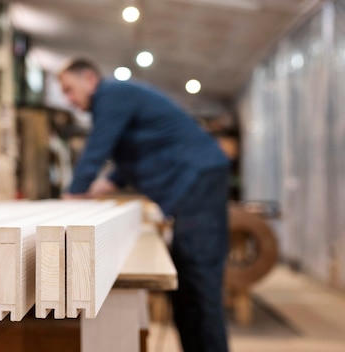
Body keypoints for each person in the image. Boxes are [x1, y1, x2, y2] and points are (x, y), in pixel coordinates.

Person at [59, 58, 230, 352]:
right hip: (191, 186)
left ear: (89, 78)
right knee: (185, 287)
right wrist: (105, 184)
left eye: (69, 89)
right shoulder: (118, 101)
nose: (69, 100)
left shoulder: (111, 95)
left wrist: (73, 194)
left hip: (197, 181)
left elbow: (98, 148)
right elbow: (131, 154)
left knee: (200, 285)